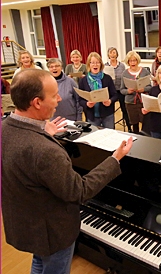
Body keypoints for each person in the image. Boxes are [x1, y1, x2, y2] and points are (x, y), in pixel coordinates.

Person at [1, 69, 133, 274]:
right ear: (37, 102)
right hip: (52, 232)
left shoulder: (4, 128)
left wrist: (44, 131)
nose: (59, 99)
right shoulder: (44, 150)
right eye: (54, 95)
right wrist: (115, 159)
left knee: (39, 262)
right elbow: (79, 191)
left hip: (25, 224)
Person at [78, 52, 118, 129]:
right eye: (92, 63)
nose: (95, 65)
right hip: (91, 115)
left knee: (109, 136)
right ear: (88, 64)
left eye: (97, 62)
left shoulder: (107, 78)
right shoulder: (83, 81)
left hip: (107, 114)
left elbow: (115, 95)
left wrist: (110, 101)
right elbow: (80, 100)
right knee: (94, 137)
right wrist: (86, 104)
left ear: (101, 64)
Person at [120, 51, 152, 134]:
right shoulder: (125, 73)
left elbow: (150, 87)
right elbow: (122, 90)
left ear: (137, 61)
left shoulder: (144, 71)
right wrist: (128, 91)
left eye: (134, 60)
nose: (133, 62)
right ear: (128, 62)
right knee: (134, 123)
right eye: (131, 61)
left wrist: (143, 89)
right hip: (130, 102)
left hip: (143, 101)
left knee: (146, 123)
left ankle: (146, 139)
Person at [105, 47, 132, 132]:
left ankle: (129, 128)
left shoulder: (122, 65)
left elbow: (124, 77)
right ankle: (111, 128)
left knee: (124, 109)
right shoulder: (105, 66)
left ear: (117, 54)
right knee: (110, 110)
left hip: (120, 90)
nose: (112, 54)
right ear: (108, 55)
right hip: (110, 92)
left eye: (114, 52)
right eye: (110, 52)